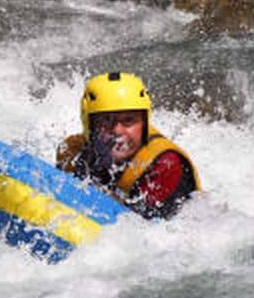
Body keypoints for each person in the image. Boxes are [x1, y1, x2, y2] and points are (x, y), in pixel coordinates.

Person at [56, 72, 200, 219]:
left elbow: (140, 230)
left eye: (129, 120)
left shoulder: (165, 165)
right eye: (106, 120)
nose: (117, 131)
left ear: (144, 124)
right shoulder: (73, 151)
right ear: (89, 125)